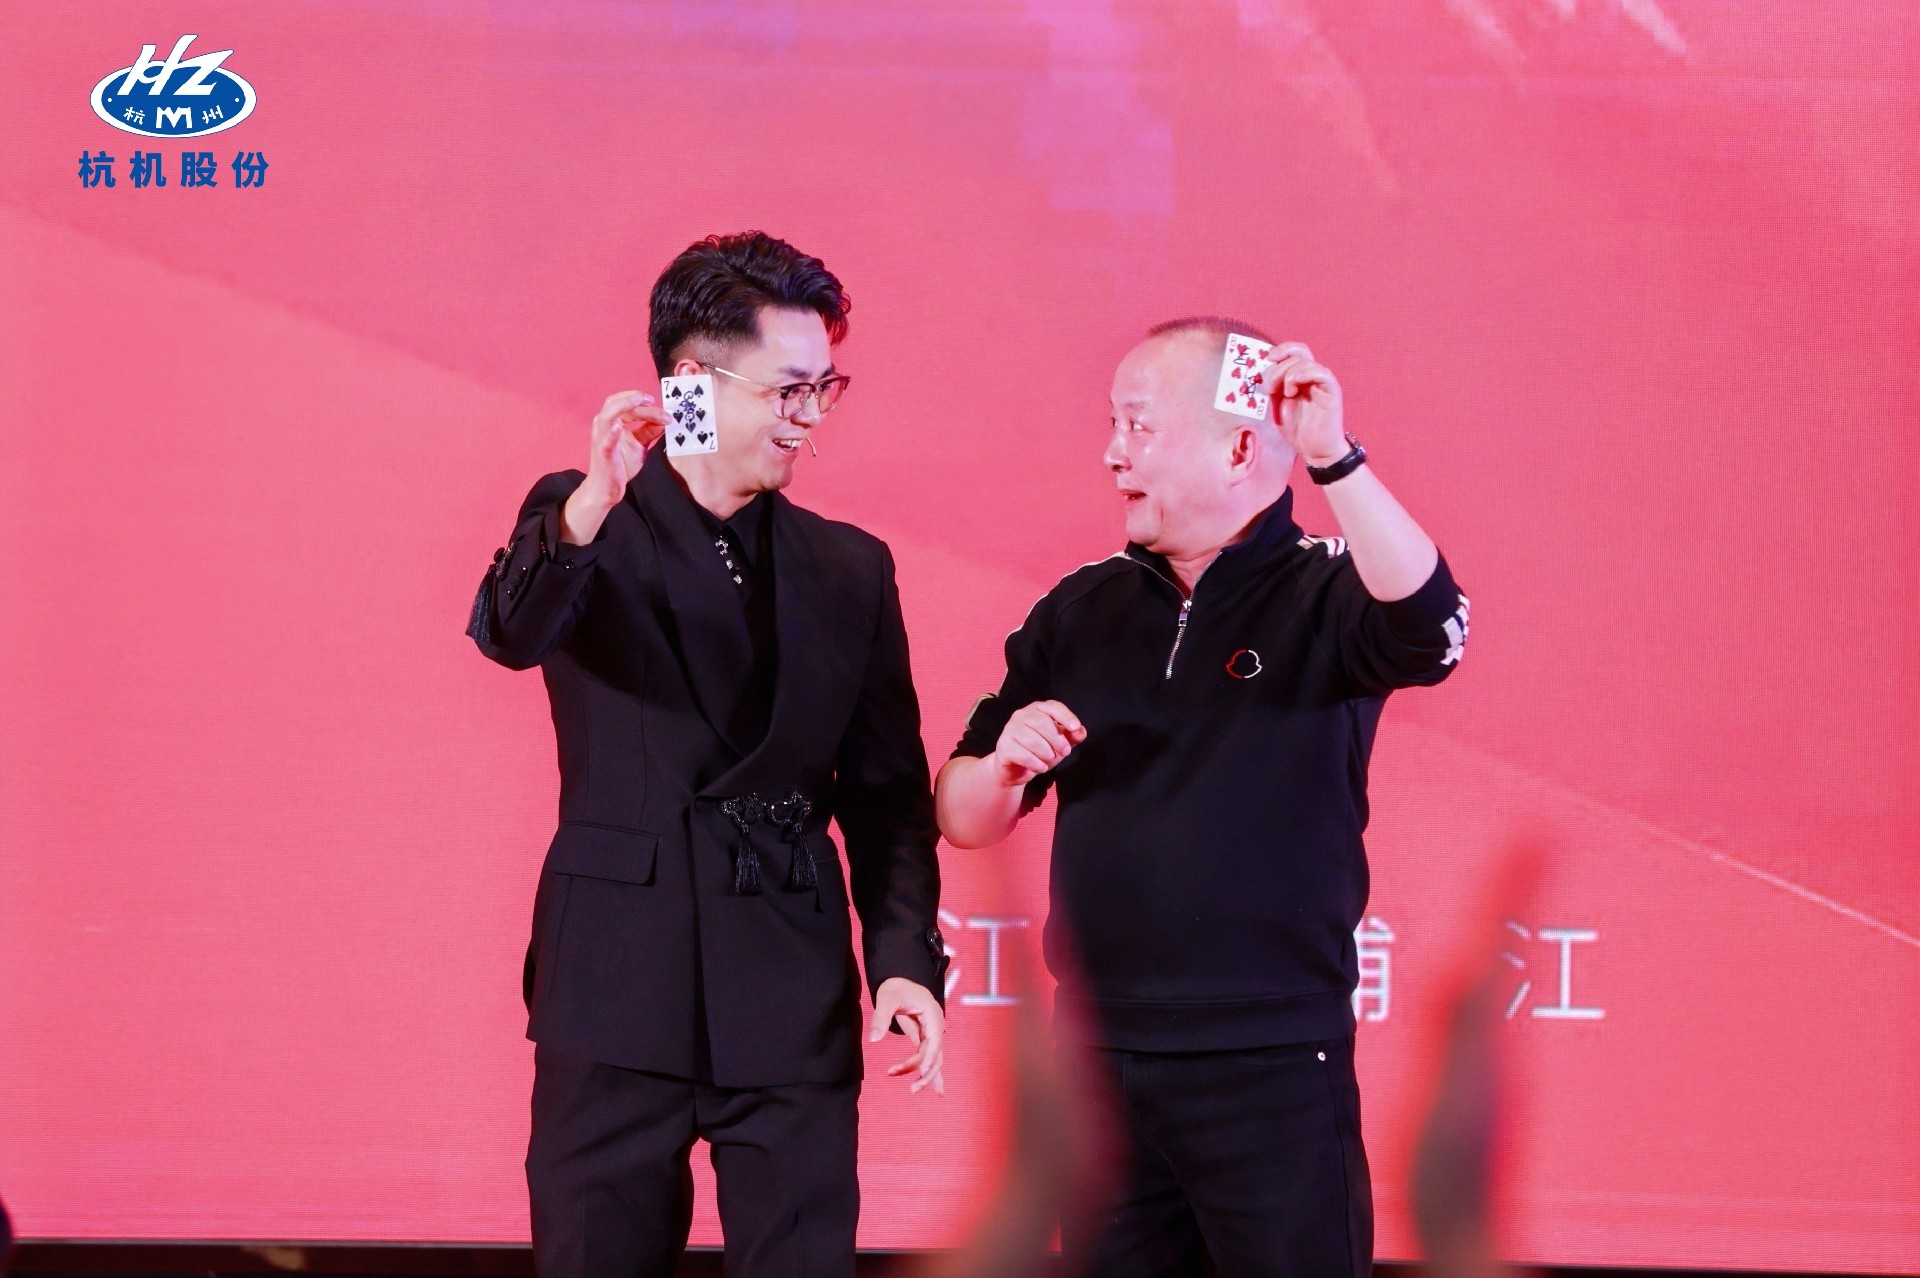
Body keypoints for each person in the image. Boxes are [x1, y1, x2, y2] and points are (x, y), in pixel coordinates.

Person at [935, 318, 1471, 1277]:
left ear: (1238, 449)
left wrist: (1333, 456)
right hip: (1099, 1058)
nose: (1112, 454)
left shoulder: (1327, 592)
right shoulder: (1080, 608)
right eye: (1112, 425)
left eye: (1139, 427)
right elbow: (961, 816)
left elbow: (1434, 631)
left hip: (1271, 1060)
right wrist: (1004, 767)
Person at [469, 232, 949, 1278]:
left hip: (789, 981)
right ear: (692, 381)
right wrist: (591, 503)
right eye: (788, 391)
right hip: (617, 980)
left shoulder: (850, 568)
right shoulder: (582, 517)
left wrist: (905, 963)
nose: (810, 417)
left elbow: (887, 799)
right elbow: (509, 633)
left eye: (824, 390)